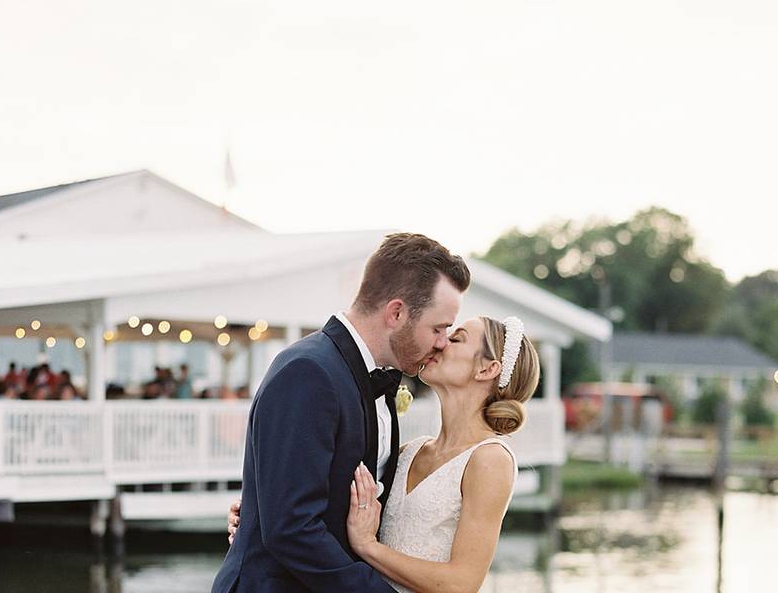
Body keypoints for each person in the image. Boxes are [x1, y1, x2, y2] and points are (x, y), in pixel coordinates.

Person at [211, 233, 470, 593]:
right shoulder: (308, 371)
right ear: (397, 313)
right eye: (438, 328)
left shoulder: (372, 376)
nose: (443, 341)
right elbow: (290, 528)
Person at [346, 316, 539, 593]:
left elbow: (461, 583)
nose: (439, 343)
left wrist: (368, 547)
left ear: (487, 369)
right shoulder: (409, 451)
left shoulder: (490, 460)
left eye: (456, 338)